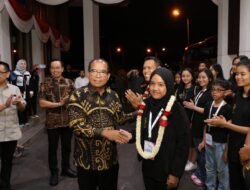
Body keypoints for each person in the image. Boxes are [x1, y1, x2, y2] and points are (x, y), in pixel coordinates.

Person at [67, 58, 134, 190]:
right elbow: (77, 126)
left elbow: (120, 118)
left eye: (102, 72)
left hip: (110, 161)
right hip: (86, 162)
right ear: (88, 73)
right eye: (94, 71)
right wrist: (105, 132)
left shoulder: (113, 95)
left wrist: (140, 111)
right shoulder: (77, 95)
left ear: (108, 76)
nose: (98, 75)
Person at [135, 67, 189, 190]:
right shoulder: (146, 104)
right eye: (152, 84)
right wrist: (131, 136)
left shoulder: (176, 109)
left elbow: (183, 143)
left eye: (160, 84)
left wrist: (175, 173)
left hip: (166, 167)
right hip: (148, 163)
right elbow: (142, 128)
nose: (155, 88)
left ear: (169, 86)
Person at [205, 59, 250, 190]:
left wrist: (225, 124)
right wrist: (221, 122)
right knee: (234, 182)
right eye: (237, 74)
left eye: (243, 74)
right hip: (233, 147)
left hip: (246, 149)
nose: (238, 77)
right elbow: (235, 120)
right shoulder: (238, 95)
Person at [39, 59, 77, 186]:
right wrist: (59, 103)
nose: (55, 70)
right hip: (52, 122)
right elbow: (42, 103)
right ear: (50, 70)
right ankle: (54, 172)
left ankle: (65, 169)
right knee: (52, 149)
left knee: (67, 148)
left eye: (57, 68)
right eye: (53, 68)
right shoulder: (45, 83)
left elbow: (76, 100)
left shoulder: (69, 83)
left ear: (62, 69)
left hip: (68, 122)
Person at [199, 79, 232, 190]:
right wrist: (203, 140)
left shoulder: (227, 108)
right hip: (209, 141)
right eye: (213, 89)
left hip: (221, 144)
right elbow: (205, 124)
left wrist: (227, 150)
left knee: (222, 170)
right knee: (209, 168)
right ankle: (210, 187)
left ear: (225, 92)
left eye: (219, 90)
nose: (214, 92)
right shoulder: (208, 105)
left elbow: (230, 132)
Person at [183, 68, 213, 187]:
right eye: (199, 77)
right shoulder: (201, 91)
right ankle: (199, 172)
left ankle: (203, 176)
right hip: (195, 124)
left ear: (210, 78)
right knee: (197, 148)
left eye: (204, 77)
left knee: (202, 152)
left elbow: (209, 110)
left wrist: (193, 107)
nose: (201, 79)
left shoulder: (210, 92)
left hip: (203, 126)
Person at [0, 61, 26, 190]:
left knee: (7, 162)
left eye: (0, 72)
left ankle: (5, 185)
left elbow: (22, 107)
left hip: (10, 132)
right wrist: (6, 105)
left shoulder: (14, 89)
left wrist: (18, 103)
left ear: (7, 74)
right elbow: (4, 106)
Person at [11, 59, 31, 127]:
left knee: (26, 106)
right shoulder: (14, 73)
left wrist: (30, 91)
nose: (23, 65)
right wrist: (16, 93)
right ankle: (20, 122)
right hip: (18, 93)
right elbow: (13, 84)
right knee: (20, 107)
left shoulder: (27, 73)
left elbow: (28, 84)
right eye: (21, 64)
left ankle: (26, 121)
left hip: (26, 93)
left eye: (24, 64)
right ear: (18, 65)